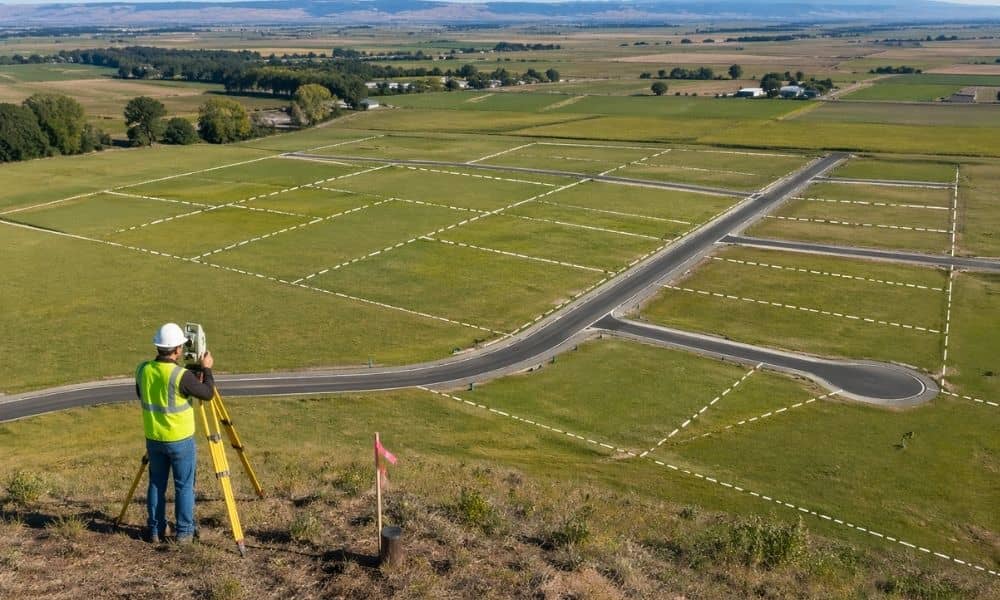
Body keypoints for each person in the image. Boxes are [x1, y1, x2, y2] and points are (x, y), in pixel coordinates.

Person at [135, 322, 215, 544]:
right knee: (184, 486)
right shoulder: (181, 376)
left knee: (156, 484)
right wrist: (206, 368)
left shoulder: (143, 369)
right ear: (178, 349)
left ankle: (155, 530)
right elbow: (207, 393)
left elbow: (142, 395)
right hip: (180, 440)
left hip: (154, 438)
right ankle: (185, 532)